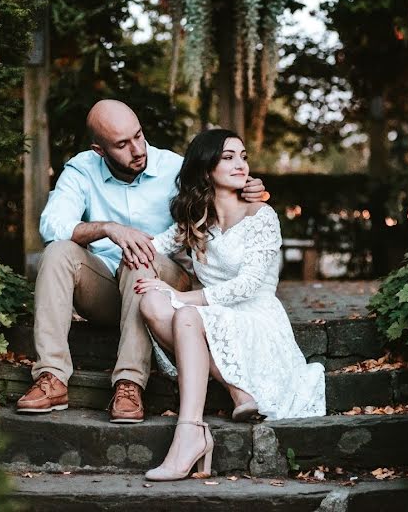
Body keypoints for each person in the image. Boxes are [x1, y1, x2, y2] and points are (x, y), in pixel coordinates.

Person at [16, 100, 265, 422]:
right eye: (122, 144)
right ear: (99, 150)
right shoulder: (82, 169)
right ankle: (51, 377)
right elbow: (52, 225)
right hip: (107, 289)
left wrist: (250, 190)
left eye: (139, 136)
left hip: (165, 284)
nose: (137, 149)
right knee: (57, 251)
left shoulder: (174, 167)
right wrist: (108, 228)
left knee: (139, 256)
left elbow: (220, 195)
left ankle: (129, 382)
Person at [135, 128, 325, 481]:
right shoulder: (196, 222)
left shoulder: (261, 216)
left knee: (185, 312)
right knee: (151, 303)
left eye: (243, 156)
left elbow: (249, 285)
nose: (241, 164)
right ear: (207, 168)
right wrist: (129, 248)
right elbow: (154, 248)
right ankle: (231, 398)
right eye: (228, 157)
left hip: (257, 316)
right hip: (211, 316)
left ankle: (192, 429)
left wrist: (180, 295)